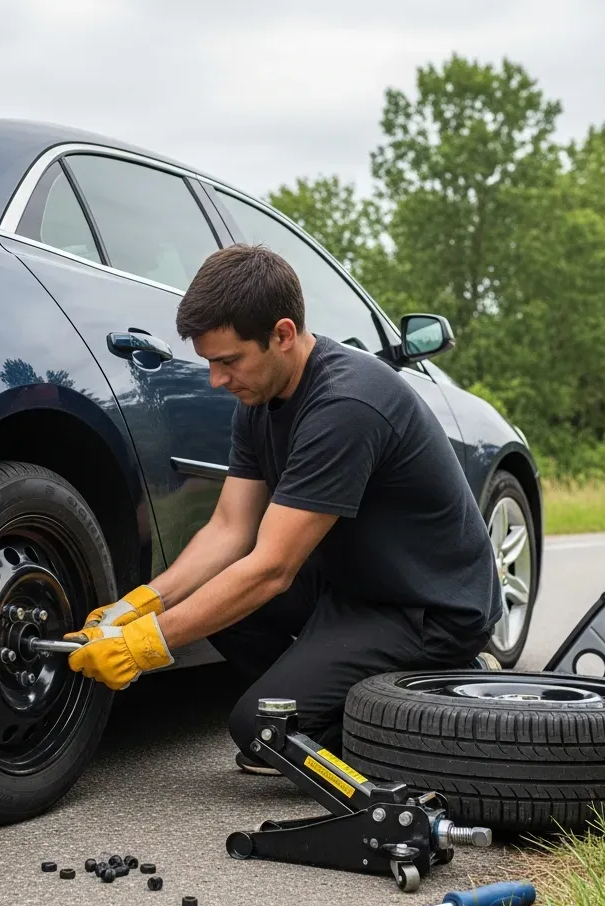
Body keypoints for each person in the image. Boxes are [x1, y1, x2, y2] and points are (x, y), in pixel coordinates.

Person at [66, 244, 502, 764]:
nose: (217, 381)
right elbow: (228, 530)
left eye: (228, 361)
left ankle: (436, 692)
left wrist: (144, 646)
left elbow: (272, 568)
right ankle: (331, 685)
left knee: (262, 733)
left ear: (284, 335)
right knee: (217, 602)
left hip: (426, 607)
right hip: (355, 586)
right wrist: (142, 603)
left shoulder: (346, 404)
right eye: (210, 363)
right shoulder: (260, 397)